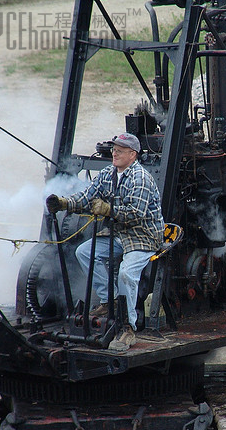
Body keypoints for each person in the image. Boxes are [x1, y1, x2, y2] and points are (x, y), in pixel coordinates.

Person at [46, 133, 164, 349]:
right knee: (84, 252)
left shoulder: (141, 178)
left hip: (143, 236)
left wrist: (109, 209)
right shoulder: (108, 173)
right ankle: (110, 302)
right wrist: (64, 203)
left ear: (133, 154)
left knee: (127, 274)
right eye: (114, 148)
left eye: (120, 149)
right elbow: (87, 197)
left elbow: (136, 214)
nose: (115, 152)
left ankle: (128, 328)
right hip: (119, 234)